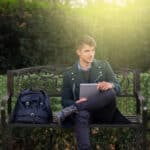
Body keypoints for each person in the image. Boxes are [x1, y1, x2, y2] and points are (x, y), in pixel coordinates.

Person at [53, 35, 130, 150]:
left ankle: (75, 107)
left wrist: (111, 84)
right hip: (85, 114)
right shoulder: (69, 74)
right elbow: (64, 100)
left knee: (111, 92)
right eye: (87, 51)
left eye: (93, 50)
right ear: (78, 52)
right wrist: (76, 101)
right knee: (82, 114)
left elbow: (118, 88)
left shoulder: (104, 66)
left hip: (104, 113)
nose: (91, 54)